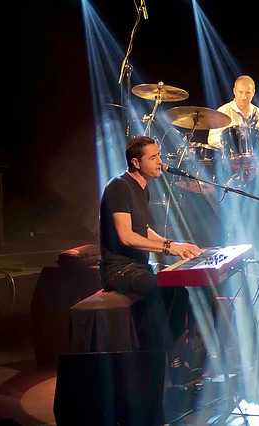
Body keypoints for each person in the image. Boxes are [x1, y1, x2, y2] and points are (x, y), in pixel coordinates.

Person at [100, 135, 204, 352]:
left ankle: (178, 350)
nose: (160, 162)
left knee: (187, 288)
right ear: (136, 163)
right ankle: (160, 354)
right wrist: (169, 248)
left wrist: (176, 244)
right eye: (153, 158)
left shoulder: (142, 188)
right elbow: (126, 236)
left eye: (159, 156)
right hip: (119, 271)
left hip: (139, 266)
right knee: (169, 291)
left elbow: (143, 230)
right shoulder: (119, 187)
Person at [206, 75, 259, 157]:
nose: (244, 97)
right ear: (234, 91)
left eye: (248, 93)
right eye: (240, 92)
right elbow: (212, 139)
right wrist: (229, 145)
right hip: (229, 159)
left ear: (253, 93)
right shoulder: (223, 111)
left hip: (254, 159)